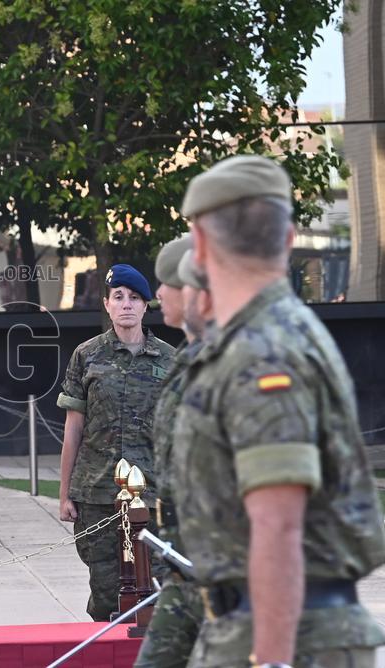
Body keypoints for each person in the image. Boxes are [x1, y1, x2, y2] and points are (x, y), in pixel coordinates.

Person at [174, 155, 385, 666]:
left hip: (287, 639)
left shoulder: (263, 349)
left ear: (200, 245)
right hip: (274, 631)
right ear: (289, 238)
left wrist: (271, 661)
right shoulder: (273, 334)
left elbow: (278, 523)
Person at [57, 263, 175, 621]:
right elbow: (73, 427)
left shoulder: (170, 360)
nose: (126, 304)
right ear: (107, 305)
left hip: (153, 493)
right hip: (97, 493)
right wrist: (65, 493)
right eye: (118, 297)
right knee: (107, 591)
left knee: (153, 589)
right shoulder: (87, 355)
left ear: (145, 306)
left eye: (134, 298)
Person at [135, 240, 207, 667]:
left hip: (219, 576)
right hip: (181, 567)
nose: (158, 293)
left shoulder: (237, 361)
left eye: (168, 283)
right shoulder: (188, 361)